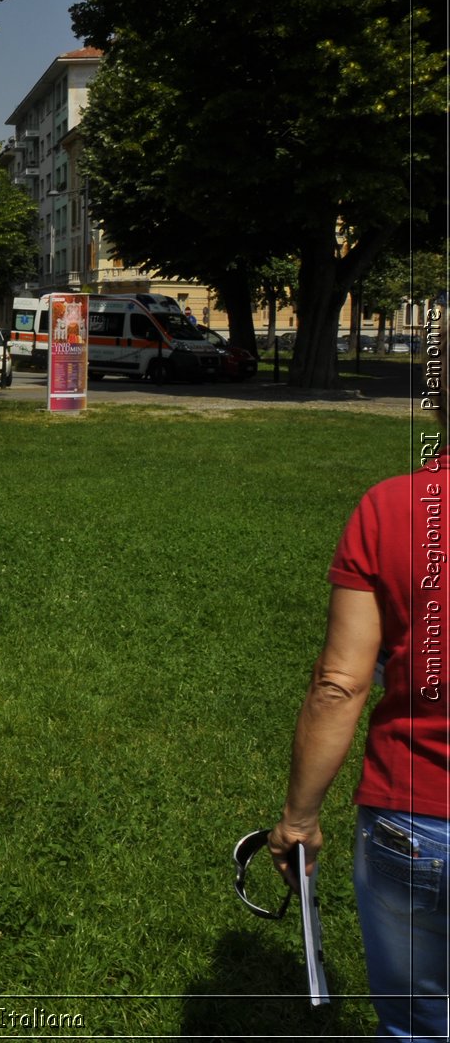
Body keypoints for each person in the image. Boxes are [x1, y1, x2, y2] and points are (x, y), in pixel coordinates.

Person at [269, 386, 449, 1039]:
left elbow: (340, 685)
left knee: (416, 1029)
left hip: (414, 824)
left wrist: (299, 818)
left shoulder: (390, 508)